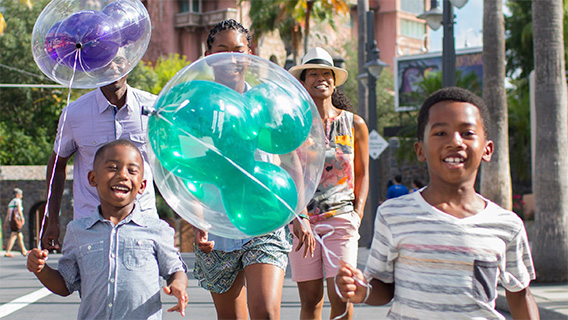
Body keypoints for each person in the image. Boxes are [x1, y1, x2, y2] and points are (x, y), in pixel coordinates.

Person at [335, 87, 539, 319]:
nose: (455, 142)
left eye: (467, 133)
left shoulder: (507, 225)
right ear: (420, 149)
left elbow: (521, 295)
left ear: (487, 149)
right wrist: (363, 291)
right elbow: (383, 287)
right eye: (441, 133)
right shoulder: (393, 215)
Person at [191, 19, 292, 320]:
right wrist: (198, 221)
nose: (232, 58)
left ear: (251, 52)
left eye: (239, 50)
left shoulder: (268, 105)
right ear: (208, 56)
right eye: (222, 50)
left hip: (264, 219)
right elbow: (190, 172)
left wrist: (297, 212)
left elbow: (291, 161)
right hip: (216, 225)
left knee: (266, 313)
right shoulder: (197, 110)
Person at [27, 139, 188, 319]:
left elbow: (175, 270)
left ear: (142, 185)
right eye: (112, 167)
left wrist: (178, 285)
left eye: (132, 170)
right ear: (93, 178)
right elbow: (65, 285)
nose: (123, 175)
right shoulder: (77, 231)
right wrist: (40, 269)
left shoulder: (156, 229)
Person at [288, 47, 369, 320]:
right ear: (303, 80)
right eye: (313, 74)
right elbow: (288, 173)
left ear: (334, 81)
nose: (320, 78)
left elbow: (363, 173)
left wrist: (357, 215)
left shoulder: (354, 123)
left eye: (326, 73)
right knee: (311, 301)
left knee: (342, 298)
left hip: (342, 218)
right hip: (302, 221)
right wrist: (298, 217)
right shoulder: (294, 125)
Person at [42, 62, 158, 251]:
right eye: (105, 60)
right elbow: (57, 165)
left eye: (119, 60)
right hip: (90, 226)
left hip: (142, 223)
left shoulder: (154, 108)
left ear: (129, 62)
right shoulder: (74, 114)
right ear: (94, 66)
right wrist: (52, 220)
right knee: (86, 281)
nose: (112, 66)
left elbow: (174, 162)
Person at [4, 188, 28, 257]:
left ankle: (24, 250)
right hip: (17, 220)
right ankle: (7, 251)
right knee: (14, 235)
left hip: (12, 221)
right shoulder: (18, 201)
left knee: (19, 235)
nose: (21, 196)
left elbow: (8, 214)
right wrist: (22, 218)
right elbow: (19, 210)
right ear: (17, 195)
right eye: (21, 195)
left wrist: (6, 223)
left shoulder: (11, 202)